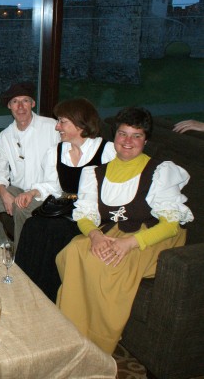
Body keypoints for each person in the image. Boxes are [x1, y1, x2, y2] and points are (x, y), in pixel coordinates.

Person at [55, 107, 194, 355]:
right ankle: (71, 332)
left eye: (136, 135)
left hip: (153, 234)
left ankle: (98, 344)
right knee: (74, 251)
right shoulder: (96, 173)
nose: (128, 141)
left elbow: (170, 224)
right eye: (123, 134)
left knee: (108, 265)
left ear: (145, 140)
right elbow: (85, 215)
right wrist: (95, 235)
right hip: (116, 230)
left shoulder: (160, 171)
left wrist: (129, 243)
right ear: (115, 136)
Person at [14, 98, 116, 302]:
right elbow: (53, 185)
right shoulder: (56, 151)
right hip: (66, 207)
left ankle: (48, 295)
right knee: (34, 224)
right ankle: (23, 286)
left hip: (93, 212)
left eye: (62, 122)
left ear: (80, 124)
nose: (57, 127)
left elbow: (115, 189)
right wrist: (33, 192)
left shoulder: (107, 151)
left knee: (55, 231)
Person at [0, 81, 60, 246]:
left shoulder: (52, 127)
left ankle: (20, 257)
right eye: (15, 102)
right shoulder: (6, 136)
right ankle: (2, 245)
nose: (20, 106)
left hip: (47, 193)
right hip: (20, 190)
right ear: (9, 106)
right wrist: (4, 194)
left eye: (25, 100)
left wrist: (31, 193)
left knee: (21, 205)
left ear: (33, 103)